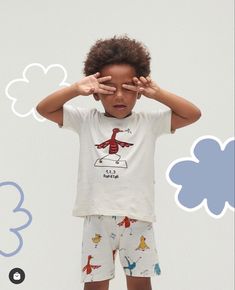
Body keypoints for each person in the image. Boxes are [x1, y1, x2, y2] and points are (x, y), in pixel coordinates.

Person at [36, 35, 201, 290]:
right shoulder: (85, 120)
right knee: (95, 284)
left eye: (128, 87)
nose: (119, 95)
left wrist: (158, 94)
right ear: (96, 91)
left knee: (139, 284)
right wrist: (74, 89)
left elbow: (193, 114)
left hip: (137, 217)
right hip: (97, 217)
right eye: (110, 88)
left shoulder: (149, 122)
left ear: (139, 89)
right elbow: (44, 109)